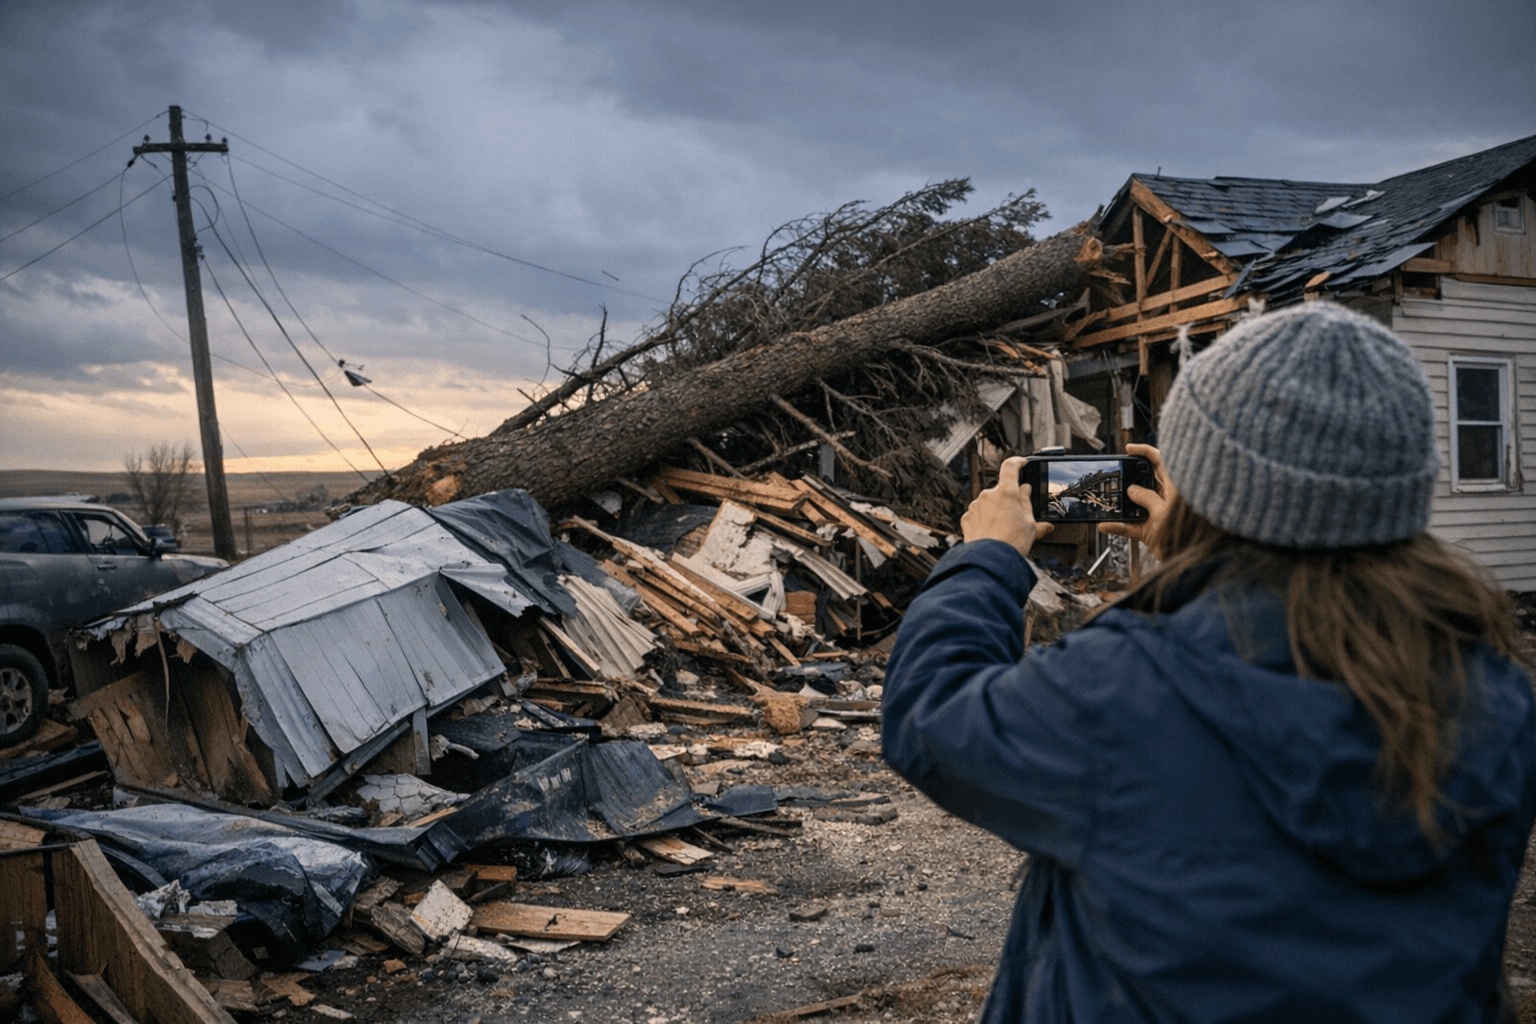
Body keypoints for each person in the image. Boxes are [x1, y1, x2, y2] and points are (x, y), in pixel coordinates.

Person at [881, 302, 1536, 1022]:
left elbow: (932, 715)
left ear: (1213, 488)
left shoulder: (1124, 689)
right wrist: (1201, 562)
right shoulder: (1495, 693)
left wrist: (989, 558)